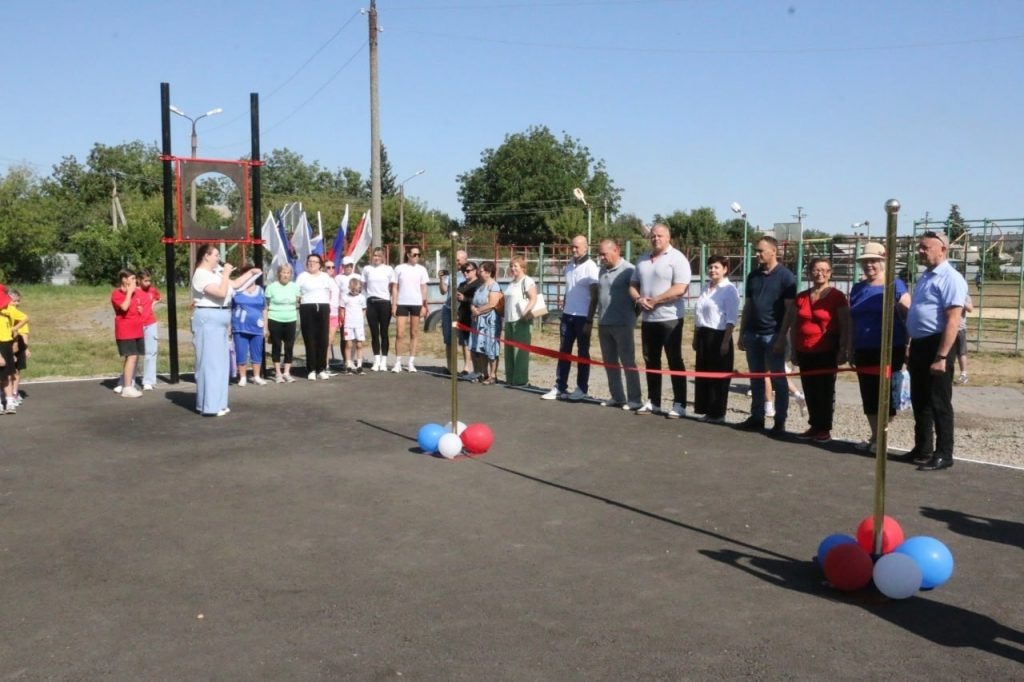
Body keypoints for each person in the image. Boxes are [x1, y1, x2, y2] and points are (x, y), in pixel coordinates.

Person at [896, 231, 968, 471]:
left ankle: (944, 453)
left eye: (925, 247)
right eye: (920, 247)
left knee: (939, 401)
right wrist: (910, 344)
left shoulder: (951, 278)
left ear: (942, 249)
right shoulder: (926, 276)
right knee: (920, 399)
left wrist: (942, 356)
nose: (920, 251)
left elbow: (953, 320)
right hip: (920, 344)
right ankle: (923, 448)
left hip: (938, 344)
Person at [848, 242, 911, 452]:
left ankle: (881, 438)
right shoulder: (858, 288)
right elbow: (852, 320)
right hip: (863, 347)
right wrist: (849, 346)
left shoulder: (895, 285)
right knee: (868, 393)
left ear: (883, 262)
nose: (869, 265)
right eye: (865, 261)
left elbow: (908, 313)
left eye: (873, 261)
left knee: (886, 394)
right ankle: (875, 436)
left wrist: (910, 343)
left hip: (889, 348)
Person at [629, 223, 692, 418]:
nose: (656, 239)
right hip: (648, 319)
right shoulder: (642, 259)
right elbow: (633, 285)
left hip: (670, 319)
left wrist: (656, 300)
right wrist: (639, 299)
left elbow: (680, 288)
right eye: (653, 236)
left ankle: (679, 403)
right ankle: (653, 401)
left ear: (668, 237)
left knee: (674, 360)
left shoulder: (677, 258)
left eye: (660, 235)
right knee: (651, 360)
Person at [191, 245, 262, 416]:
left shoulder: (215, 273)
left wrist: (250, 273)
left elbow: (235, 285)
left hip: (221, 318)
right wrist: (226, 274)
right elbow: (221, 293)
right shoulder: (201, 274)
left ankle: (219, 403)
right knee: (210, 363)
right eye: (216, 255)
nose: (219, 258)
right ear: (206, 256)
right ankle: (209, 406)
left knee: (222, 363)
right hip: (208, 318)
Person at [736, 236, 796, 436]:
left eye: (761, 251)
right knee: (756, 379)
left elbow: (789, 310)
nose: (757, 254)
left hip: (773, 335)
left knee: (778, 380)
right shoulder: (753, 276)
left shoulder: (786, 277)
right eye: (756, 250)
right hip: (753, 335)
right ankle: (757, 417)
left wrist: (782, 337)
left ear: (773, 251)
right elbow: (748, 306)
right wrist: (742, 333)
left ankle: (780, 420)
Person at [790, 258, 850, 443]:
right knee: (809, 389)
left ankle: (824, 428)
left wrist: (843, 349)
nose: (820, 273)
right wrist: (793, 350)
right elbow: (794, 325)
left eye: (824, 270)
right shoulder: (801, 297)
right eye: (816, 270)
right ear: (810, 272)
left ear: (830, 273)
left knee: (825, 390)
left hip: (826, 350)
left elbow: (845, 324)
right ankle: (814, 425)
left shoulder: (837, 296)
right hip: (804, 349)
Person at [542, 236, 599, 401]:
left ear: (586, 248)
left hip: (582, 317)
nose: (573, 250)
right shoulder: (569, 266)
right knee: (564, 351)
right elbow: (570, 289)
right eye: (572, 247)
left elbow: (595, 296)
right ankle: (560, 386)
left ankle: (581, 388)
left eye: (577, 247)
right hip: (567, 316)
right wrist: (566, 301)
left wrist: (589, 320)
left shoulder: (591, 267)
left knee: (582, 353)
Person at [692, 255, 740, 423]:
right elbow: (698, 315)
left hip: (719, 335)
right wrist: (696, 337)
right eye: (710, 267)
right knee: (704, 374)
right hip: (703, 334)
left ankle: (718, 413)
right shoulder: (706, 287)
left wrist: (725, 341)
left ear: (725, 269)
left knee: (717, 376)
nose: (712, 270)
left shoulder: (729, 289)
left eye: (716, 267)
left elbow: (731, 319)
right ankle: (707, 410)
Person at [596, 239, 642, 410]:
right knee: (610, 363)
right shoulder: (602, 270)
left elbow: (639, 296)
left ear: (616, 250)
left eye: (604, 254)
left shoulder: (629, 270)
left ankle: (635, 399)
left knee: (628, 361)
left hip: (623, 324)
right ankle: (617, 397)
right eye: (600, 254)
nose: (601, 257)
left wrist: (631, 317)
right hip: (604, 323)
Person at [391, 246, 429, 372]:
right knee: (400, 333)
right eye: (414, 254)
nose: (416, 257)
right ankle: (398, 362)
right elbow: (395, 287)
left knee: (414, 333)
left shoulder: (422, 269)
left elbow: (424, 288)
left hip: (416, 303)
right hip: (402, 303)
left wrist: (424, 305)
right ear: (408, 255)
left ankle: (411, 362)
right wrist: (394, 304)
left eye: (418, 254)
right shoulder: (399, 268)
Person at [296, 254, 333, 380]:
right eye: (309, 261)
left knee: (323, 339)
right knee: (310, 338)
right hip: (307, 308)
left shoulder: (325, 276)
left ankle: (321, 368)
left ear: (319, 264)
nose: (311, 263)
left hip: (323, 307)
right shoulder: (302, 276)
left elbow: (333, 291)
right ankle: (311, 369)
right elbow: (296, 293)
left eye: (314, 261)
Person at [503, 256, 539, 387]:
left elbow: (533, 298)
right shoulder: (511, 283)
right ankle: (510, 379)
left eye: (515, 266)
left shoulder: (527, 281)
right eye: (511, 266)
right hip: (509, 320)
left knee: (520, 352)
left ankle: (520, 380)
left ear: (522, 267)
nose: (513, 268)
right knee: (509, 351)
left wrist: (526, 312)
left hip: (521, 321)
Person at [111, 269, 145, 399]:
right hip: (125, 331)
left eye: (135, 278)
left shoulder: (136, 293)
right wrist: (129, 292)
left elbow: (136, 307)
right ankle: (126, 387)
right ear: (124, 280)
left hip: (136, 329)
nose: (135, 281)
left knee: (134, 357)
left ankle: (127, 382)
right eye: (132, 278)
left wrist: (140, 310)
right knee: (131, 356)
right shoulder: (116, 294)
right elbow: (124, 307)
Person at [231, 264, 267, 386]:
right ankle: (242, 377)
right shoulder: (236, 291)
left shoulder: (260, 290)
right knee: (241, 351)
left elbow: (264, 309)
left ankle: (256, 376)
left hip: (257, 327)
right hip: (240, 327)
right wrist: (229, 326)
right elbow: (230, 308)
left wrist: (265, 327)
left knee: (257, 351)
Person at [264, 263, 301, 383]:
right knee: (277, 346)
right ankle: (278, 373)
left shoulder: (295, 287)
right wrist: (266, 325)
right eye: (283, 272)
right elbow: (266, 305)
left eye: (288, 273)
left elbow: (298, 301)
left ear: (291, 275)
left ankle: (286, 372)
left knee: (289, 346)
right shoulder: (271, 287)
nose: (285, 275)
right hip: (275, 319)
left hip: (291, 319)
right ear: (279, 273)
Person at [362, 248, 396, 371]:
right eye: (374, 255)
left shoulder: (388, 269)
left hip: (384, 303)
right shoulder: (367, 269)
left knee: (384, 332)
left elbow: (393, 287)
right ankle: (376, 360)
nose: (376, 258)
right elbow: (364, 286)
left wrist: (394, 304)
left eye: (379, 256)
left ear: (383, 257)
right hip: (371, 303)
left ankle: (384, 361)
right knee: (374, 333)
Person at [469, 260, 502, 383]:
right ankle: (484, 373)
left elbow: (492, 303)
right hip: (478, 321)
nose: (478, 272)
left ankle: (493, 375)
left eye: (481, 270)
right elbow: (473, 301)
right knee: (480, 348)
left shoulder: (494, 286)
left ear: (488, 272)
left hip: (490, 322)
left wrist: (478, 311)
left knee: (491, 347)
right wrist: (473, 308)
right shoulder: (480, 286)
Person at [0, 288, 29, 412]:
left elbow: (25, 318)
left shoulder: (9, 310)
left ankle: (10, 400)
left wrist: (14, 329)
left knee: (7, 374)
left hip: (6, 344)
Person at [440, 250, 468, 374]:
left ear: (465, 260)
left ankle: (466, 368)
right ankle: (451, 367)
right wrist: (441, 279)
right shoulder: (452, 274)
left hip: (462, 311)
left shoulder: (469, 274)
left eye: (458, 260)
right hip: (449, 310)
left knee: (464, 340)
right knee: (449, 339)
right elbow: (443, 291)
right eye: (455, 260)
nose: (456, 262)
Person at [455, 261, 482, 376]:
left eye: (468, 271)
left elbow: (480, 301)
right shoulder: (462, 284)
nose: (465, 273)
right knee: (465, 342)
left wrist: (465, 299)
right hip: (463, 316)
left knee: (475, 343)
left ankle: (479, 369)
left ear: (475, 271)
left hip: (474, 316)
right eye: (463, 271)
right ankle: (466, 367)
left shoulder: (479, 284)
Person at [137, 269, 161, 391]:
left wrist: (153, 304)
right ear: (139, 280)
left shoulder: (152, 290)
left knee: (151, 352)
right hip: (137, 324)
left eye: (149, 281)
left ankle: (149, 381)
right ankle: (127, 380)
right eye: (145, 281)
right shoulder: (134, 291)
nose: (148, 283)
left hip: (150, 323)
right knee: (133, 354)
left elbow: (158, 297)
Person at [341, 277, 368, 374]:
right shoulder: (345, 297)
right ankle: (348, 365)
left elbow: (364, 309)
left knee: (359, 344)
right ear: (349, 288)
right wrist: (343, 320)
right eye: (353, 290)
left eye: (356, 290)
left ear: (359, 288)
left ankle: (359, 366)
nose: (354, 292)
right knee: (348, 344)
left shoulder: (362, 298)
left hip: (358, 325)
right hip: (348, 324)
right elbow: (342, 310)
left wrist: (361, 320)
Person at [335, 257, 358, 364]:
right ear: (342, 267)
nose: (348, 267)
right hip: (343, 310)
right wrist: (339, 311)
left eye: (350, 265)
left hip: (355, 310)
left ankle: (351, 360)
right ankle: (345, 361)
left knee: (354, 336)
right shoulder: (338, 278)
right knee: (344, 336)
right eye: (346, 266)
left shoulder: (358, 277)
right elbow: (336, 294)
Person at [955, 293, 973, 384]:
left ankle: (963, 374)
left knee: (961, 352)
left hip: (960, 328)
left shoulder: (964, 295)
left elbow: (970, 309)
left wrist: (960, 301)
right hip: (946, 328)